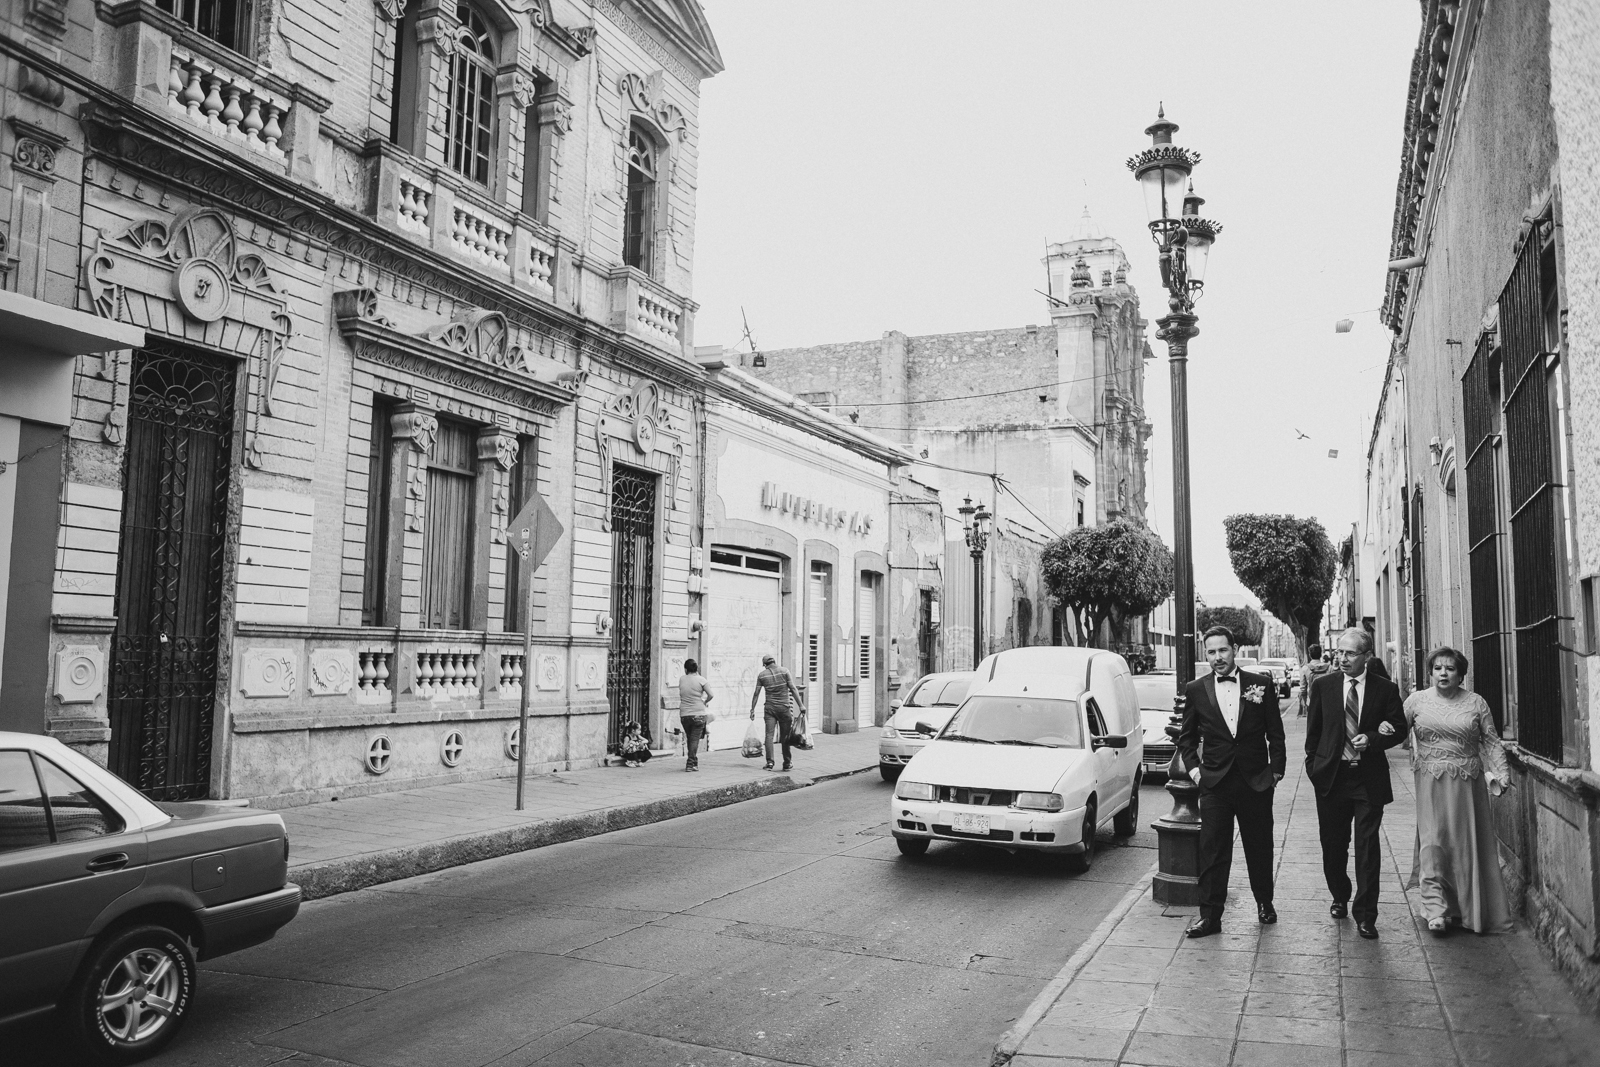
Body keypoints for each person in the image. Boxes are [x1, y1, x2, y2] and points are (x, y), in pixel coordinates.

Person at [1176, 625, 1286, 937]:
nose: (1217, 658)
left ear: (1234, 650)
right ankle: (1210, 917)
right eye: (1210, 652)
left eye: (1222, 650)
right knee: (1213, 850)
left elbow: (1275, 733)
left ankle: (1265, 903)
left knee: (1259, 847)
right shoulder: (1197, 689)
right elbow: (1186, 740)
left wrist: (1275, 772)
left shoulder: (1260, 684)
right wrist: (1197, 773)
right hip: (1215, 784)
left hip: (1255, 782)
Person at [1399, 646, 1512, 935]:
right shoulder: (1416, 702)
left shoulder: (1476, 703)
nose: (1443, 673)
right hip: (1429, 782)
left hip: (1467, 785)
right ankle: (1435, 909)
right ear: (1431, 672)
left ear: (1461, 674)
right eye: (1438, 668)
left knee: (1463, 845)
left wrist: (1503, 773)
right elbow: (1396, 731)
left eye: (1450, 668)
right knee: (1432, 841)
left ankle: (1464, 908)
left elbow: (1492, 740)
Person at [1304, 627, 1408, 939]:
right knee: (1334, 847)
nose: (1342, 658)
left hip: (1367, 779)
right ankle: (1339, 894)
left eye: (1350, 653)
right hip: (1332, 780)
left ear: (1366, 656)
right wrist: (1314, 767)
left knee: (1367, 848)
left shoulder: (1385, 689)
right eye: (1340, 652)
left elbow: (1400, 729)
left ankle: (1366, 915)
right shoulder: (1324, 686)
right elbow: (1313, 734)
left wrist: (1373, 740)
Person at [748, 653, 803, 771]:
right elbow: (793, 689)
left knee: (769, 735)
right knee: (785, 736)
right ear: (774, 662)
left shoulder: (762, 675)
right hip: (784, 708)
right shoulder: (784, 671)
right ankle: (787, 763)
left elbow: (756, 693)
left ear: (765, 665)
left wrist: (752, 709)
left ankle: (770, 763)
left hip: (769, 709)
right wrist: (801, 705)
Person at [678, 658, 714, 773]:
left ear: (685, 669)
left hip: (684, 715)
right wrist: (704, 701)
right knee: (694, 740)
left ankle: (694, 762)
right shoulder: (701, 680)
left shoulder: (682, 679)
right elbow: (711, 694)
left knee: (691, 739)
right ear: (696, 669)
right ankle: (690, 763)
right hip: (698, 714)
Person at [1299, 643, 1331, 718]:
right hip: (1327, 701)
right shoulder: (1329, 668)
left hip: (1311, 701)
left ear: (1309, 655)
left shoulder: (1305, 668)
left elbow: (1303, 689)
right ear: (1320, 654)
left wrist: (1304, 702)